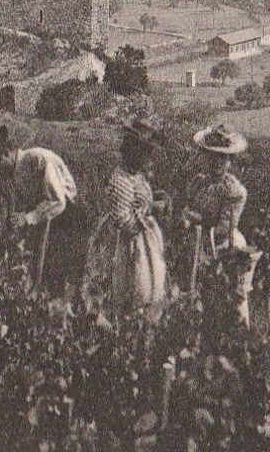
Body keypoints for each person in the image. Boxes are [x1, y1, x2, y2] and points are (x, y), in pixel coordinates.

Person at [0, 125, 79, 293]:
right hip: (40, 216)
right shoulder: (6, 179)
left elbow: (59, 202)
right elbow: (14, 213)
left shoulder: (37, 159)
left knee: (57, 281)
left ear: (5, 153)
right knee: (28, 271)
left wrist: (27, 218)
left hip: (67, 218)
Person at [182, 124, 261, 326]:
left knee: (233, 298)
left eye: (221, 158)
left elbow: (222, 229)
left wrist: (194, 220)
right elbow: (187, 207)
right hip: (196, 241)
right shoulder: (198, 182)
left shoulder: (234, 191)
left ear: (229, 160)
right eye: (210, 156)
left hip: (223, 247)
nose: (215, 162)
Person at [87, 122, 169, 314]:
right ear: (133, 152)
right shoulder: (120, 180)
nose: (149, 160)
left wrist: (153, 201)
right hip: (128, 243)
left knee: (153, 282)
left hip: (143, 237)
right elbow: (123, 220)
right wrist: (151, 213)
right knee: (134, 286)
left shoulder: (135, 175)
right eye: (146, 154)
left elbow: (137, 200)